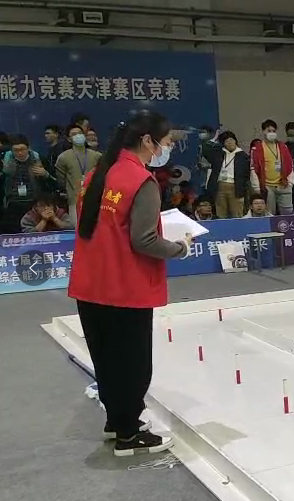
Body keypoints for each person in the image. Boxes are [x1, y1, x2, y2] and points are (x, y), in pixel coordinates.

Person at [67, 111, 190, 457]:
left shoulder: (97, 174)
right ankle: (128, 435)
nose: (165, 150)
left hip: (91, 284)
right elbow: (145, 240)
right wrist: (180, 248)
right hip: (124, 286)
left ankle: (117, 421)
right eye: (165, 143)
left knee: (107, 360)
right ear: (148, 141)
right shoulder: (140, 181)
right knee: (133, 364)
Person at [2, 134, 56, 234]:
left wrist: (45, 174)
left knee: (35, 234)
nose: (20, 153)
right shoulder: (5, 163)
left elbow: (55, 183)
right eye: (16, 150)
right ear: (11, 150)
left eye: (22, 149)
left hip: (34, 205)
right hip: (13, 205)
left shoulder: (40, 160)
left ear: (28, 148)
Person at [56, 123, 101, 222]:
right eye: (74, 134)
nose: (78, 136)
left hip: (94, 200)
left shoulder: (96, 156)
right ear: (69, 139)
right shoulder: (63, 157)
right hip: (74, 201)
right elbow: (61, 180)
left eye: (80, 133)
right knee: (77, 228)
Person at [250, 119, 294, 215]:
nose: (272, 133)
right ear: (263, 131)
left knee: (288, 213)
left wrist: (290, 183)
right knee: (270, 213)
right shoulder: (257, 148)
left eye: (274, 131)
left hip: (283, 184)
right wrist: (256, 187)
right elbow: (254, 169)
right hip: (267, 186)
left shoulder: (283, 146)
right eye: (269, 131)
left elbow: (290, 164)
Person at [210, 131, 251, 219]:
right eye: (226, 141)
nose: (230, 142)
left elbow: (247, 174)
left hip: (236, 187)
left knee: (236, 214)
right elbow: (207, 150)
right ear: (223, 144)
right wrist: (213, 140)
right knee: (221, 214)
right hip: (220, 186)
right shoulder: (219, 154)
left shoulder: (243, 155)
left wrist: (243, 187)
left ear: (235, 141)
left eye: (231, 140)